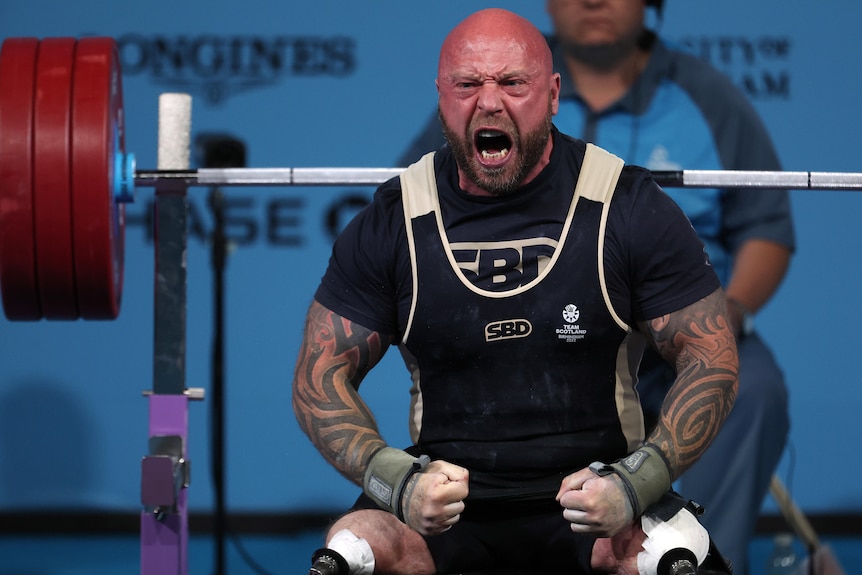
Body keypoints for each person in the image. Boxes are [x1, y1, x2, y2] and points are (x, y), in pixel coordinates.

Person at [293, 8, 738, 575]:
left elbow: (711, 357)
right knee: (352, 547)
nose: (488, 102)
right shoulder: (393, 220)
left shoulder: (628, 207)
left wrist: (637, 482)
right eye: (467, 84)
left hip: (596, 504)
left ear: (552, 95)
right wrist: (396, 480)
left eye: (512, 82)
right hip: (444, 512)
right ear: (441, 97)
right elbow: (317, 379)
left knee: (666, 560)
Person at [396, 2, 794, 573]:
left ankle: (687, 555)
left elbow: (767, 229)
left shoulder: (710, 98)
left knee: (749, 385)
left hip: (671, 328)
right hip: (556, 343)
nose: (594, 1)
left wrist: (721, 316)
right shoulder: (493, 90)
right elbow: (422, 215)